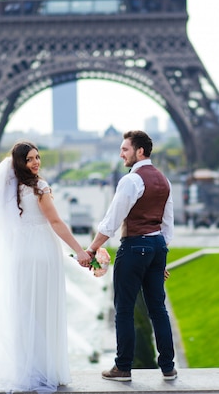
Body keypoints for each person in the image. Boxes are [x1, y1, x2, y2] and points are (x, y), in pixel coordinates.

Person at [0, 141, 91, 393]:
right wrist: (80, 250)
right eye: (30, 159)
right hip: (42, 253)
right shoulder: (40, 187)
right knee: (43, 309)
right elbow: (56, 222)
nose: (36, 162)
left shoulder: (10, 189)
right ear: (20, 162)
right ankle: (47, 369)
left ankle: (28, 368)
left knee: (25, 312)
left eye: (38, 157)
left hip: (20, 254)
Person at [83, 130, 177, 382]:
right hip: (157, 246)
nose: (121, 153)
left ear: (140, 152)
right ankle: (168, 366)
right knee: (158, 309)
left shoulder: (132, 181)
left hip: (135, 246)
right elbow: (167, 225)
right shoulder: (164, 180)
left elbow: (110, 222)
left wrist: (91, 249)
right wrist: (159, 261)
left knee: (123, 309)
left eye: (125, 149)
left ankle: (123, 366)